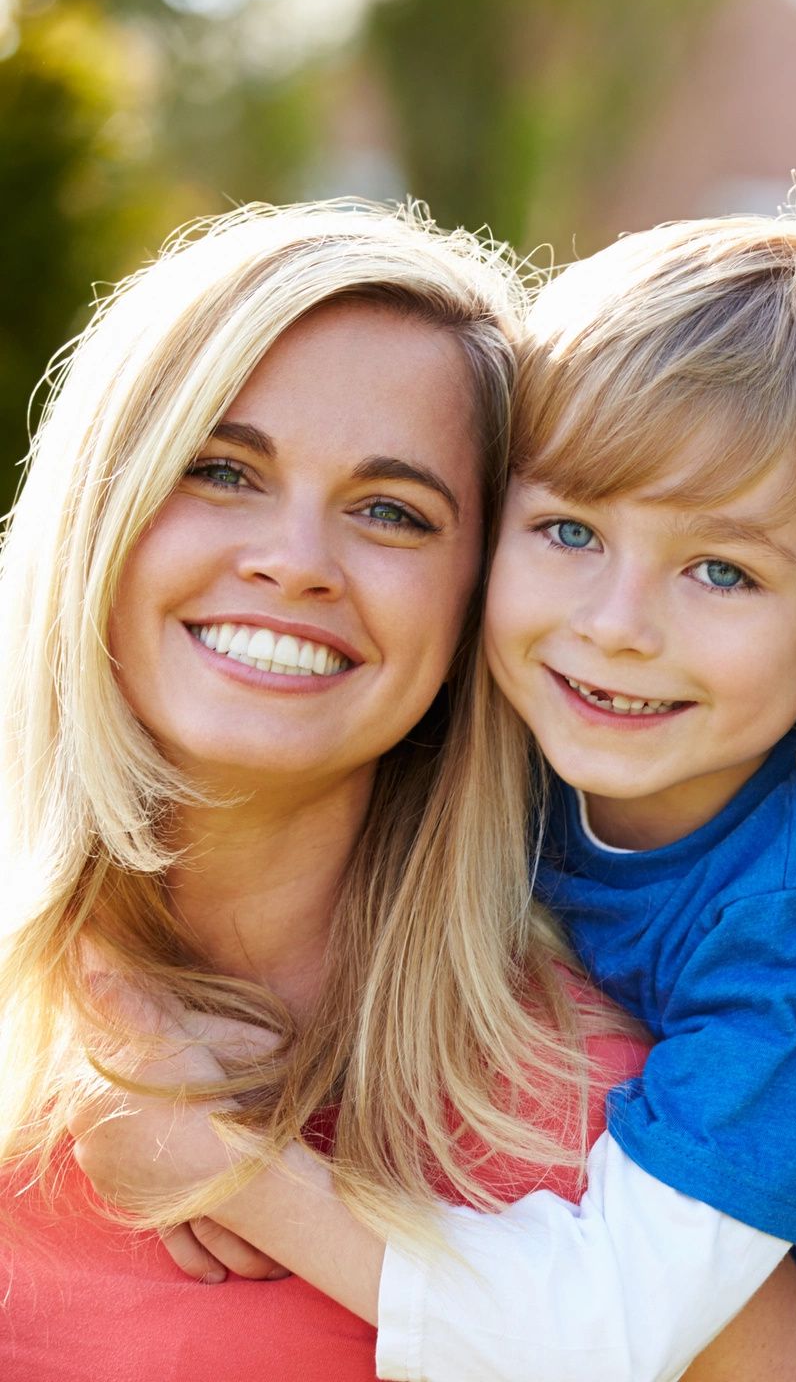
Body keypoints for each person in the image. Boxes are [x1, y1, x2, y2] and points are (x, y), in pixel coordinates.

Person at [67, 216, 796, 1382]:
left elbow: (600, 1336)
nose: (615, 624)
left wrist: (221, 1163)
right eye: (570, 531)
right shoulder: (539, 745)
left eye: (722, 570)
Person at [0, 202, 642, 1380]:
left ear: (479, 600)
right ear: (103, 505)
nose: (295, 560)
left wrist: (244, 1174)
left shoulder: (576, 1116)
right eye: (223, 469)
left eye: (392, 512)